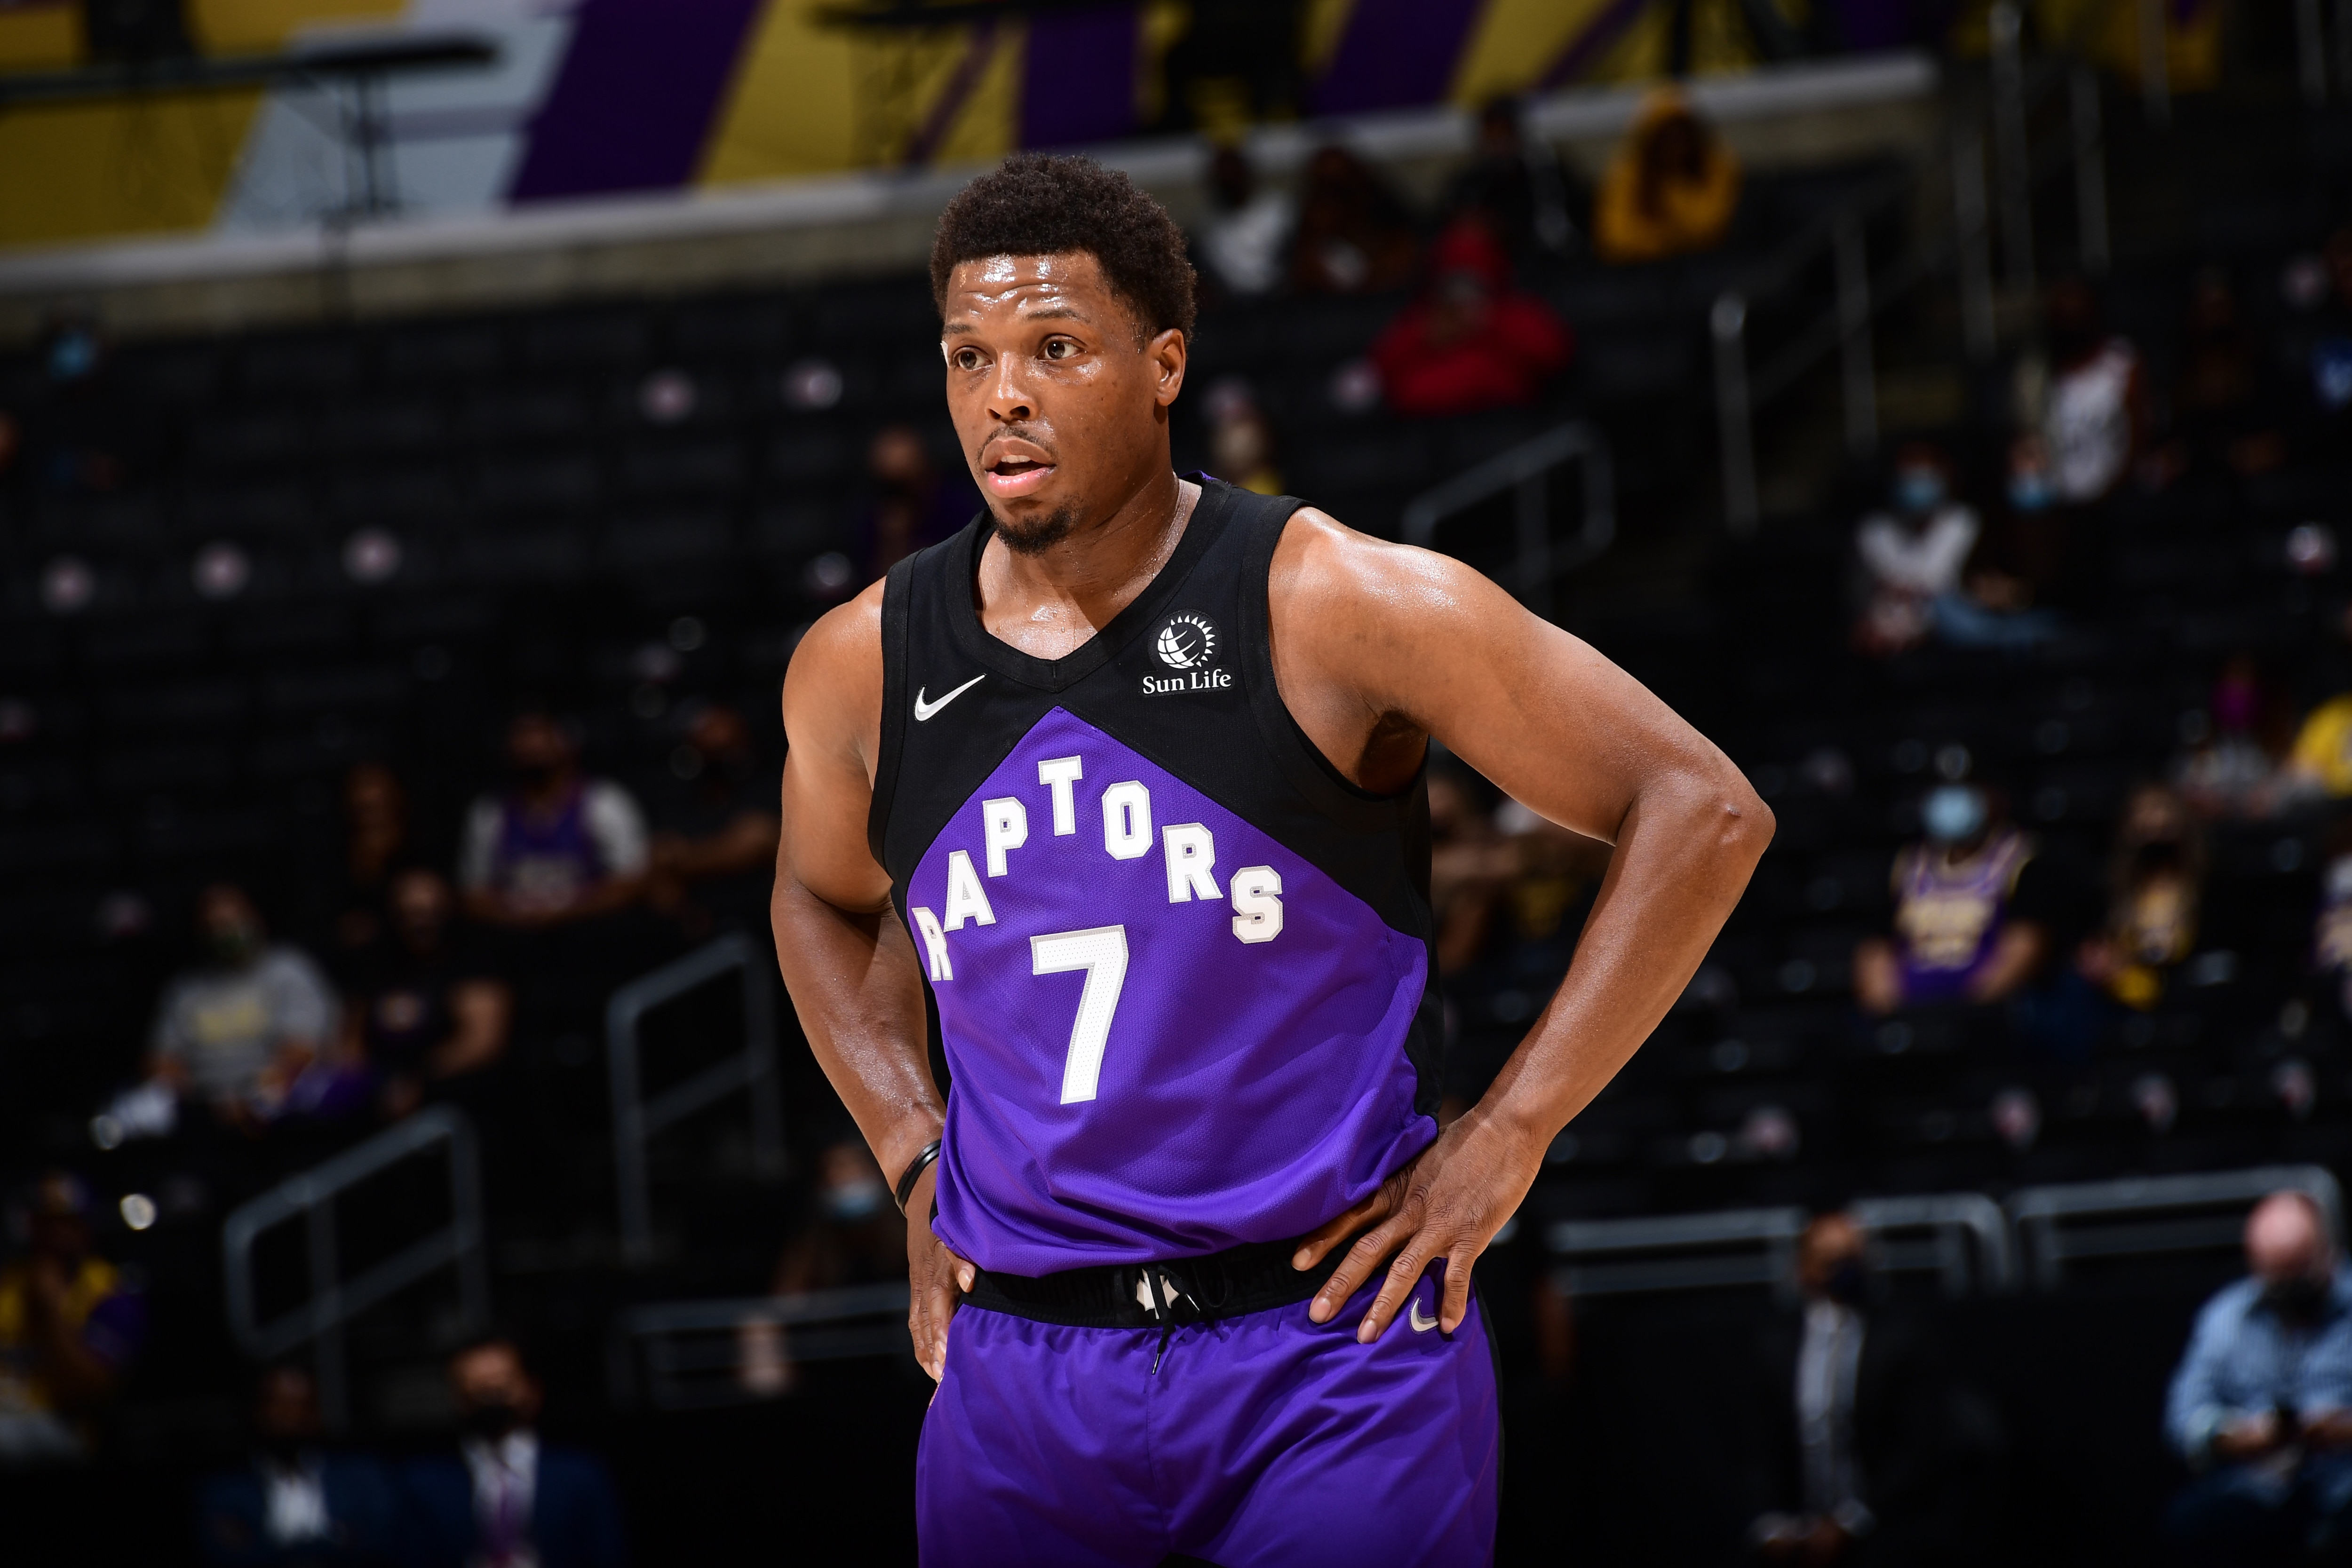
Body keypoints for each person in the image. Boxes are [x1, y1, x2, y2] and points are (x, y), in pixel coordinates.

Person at [772, 152, 1771, 1566]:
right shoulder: (860, 661)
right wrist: (906, 1144)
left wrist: (1508, 1133)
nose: (1002, 395)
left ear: (1163, 362)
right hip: (1021, 1373)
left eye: (1054, 349)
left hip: (1329, 1348)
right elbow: (819, 895)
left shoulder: (1333, 602)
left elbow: (1699, 805)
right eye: (968, 356)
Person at [1743, 1213, 2000, 1564]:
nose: (1843, 1269)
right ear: (1804, 1268)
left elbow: (1917, 1447)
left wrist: (1853, 1520)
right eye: (1830, 1258)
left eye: (1851, 1257)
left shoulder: (1900, 1342)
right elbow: (1761, 1446)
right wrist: (1771, 1524)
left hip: (1888, 1526)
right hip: (1800, 1526)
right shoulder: (1776, 1348)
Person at [2162, 1191, 2352, 1565]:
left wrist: (2342, 1430)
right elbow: (2182, 1417)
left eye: (2299, 1274)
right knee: (2192, 1521)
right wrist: (2234, 1437)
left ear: (2328, 1253)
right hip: (2260, 1486)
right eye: (2275, 1278)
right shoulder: (2226, 1318)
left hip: (2344, 1483)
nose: (2288, 1291)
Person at [398, 1336, 624, 1568]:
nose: (490, 1400)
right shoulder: (425, 1484)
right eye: (476, 1389)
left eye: (501, 1387)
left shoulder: (579, 1476)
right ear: (457, 1398)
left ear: (532, 1390)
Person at [144, 884, 350, 1132]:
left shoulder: (288, 970)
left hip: (277, 1103)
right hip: (204, 1109)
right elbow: (162, 1060)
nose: (228, 933)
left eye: (235, 921)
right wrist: (198, 1101)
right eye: (216, 926)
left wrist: (252, 1097)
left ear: (255, 918)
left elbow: (301, 1050)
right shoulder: (185, 989)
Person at [1853, 782, 2046, 1015]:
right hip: (1909, 1010)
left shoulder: (2022, 863)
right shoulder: (1906, 865)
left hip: (1984, 1012)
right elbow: (1875, 952)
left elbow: (2024, 947)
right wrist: (1893, 1012)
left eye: (1968, 786)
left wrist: (1969, 1013)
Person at [345, 868, 511, 1122]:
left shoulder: (472, 960)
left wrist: (422, 1079)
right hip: (382, 1085)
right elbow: (353, 1042)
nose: (421, 924)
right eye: (409, 915)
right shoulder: (379, 963)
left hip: (450, 1087)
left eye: (431, 914)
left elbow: (482, 1042)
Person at [0, 1172, 145, 1462]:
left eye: (67, 1221)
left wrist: (50, 1309)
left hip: (62, 1426)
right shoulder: (11, 1281)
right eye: (47, 1221)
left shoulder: (110, 1294)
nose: (56, 1232)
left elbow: (88, 1391)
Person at [1369, 215, 1573, 418]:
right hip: (1426, 429)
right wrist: (1427, 333)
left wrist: (1489, 320)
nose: (1463, 292)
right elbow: (1377, 371)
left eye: (1472, 281)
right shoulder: (1423, 319)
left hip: (1506, 425)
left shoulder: (1512, 311)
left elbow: (1554, 354)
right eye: (1455, 281)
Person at [195, 1363, 400, 1566]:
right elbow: (227, 1555)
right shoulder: (226, 1488)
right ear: (258, 1411)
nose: (292, 1417)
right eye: (279, 1406)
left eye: (302, 1405)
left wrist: (277, 1547)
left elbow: (382, 1542)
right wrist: (335, 1539)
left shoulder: (362, 1474)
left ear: (317, 1412)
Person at [459, 711, 648, 930]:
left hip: (591, 936)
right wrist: (521, 918)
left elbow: (632, 883)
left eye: (541, 734)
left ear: (568, 744)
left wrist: (562, 913)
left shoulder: (605, 803)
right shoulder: (490, 812)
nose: (531, 744)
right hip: (515, 940)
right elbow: (473, 896)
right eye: (522, 735)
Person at [645, 701, 782, 936]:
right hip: (705, 926)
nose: (723, 746)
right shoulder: (687, 793)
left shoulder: (770, 780)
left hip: (769, 918)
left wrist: (685, 861)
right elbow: (659, 858)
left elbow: (760, 841)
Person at [2074, 784, 2204, 1011]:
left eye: (2162, 811)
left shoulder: (2204, 887)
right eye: (2143, 813)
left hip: (2188, 996)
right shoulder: (2111, 891)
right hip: (2124, 1000)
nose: (2155, 824)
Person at [1851, 443, 1980, 657]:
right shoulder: (1875, 530)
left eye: (1924, 475)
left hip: (1956, 640)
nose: (1916, 483)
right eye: (1908, 476)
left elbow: (1946, 584)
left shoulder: (1964, 523)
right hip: (1892, 640)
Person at [1593, 89, 1740, 265]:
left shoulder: (1714, 165)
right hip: (1643, 272)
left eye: (1680, 137)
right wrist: (1660, 241)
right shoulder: (1630, 174)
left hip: (1706, 265)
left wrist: (1673, 195)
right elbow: (1614, 237)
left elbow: (1712, 224)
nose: (1675, 148)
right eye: (1666, 138)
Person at [1443, 95, 1576, 264]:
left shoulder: (1546, 177)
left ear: (1519, 134)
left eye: (1505, 133)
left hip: (1549, 268)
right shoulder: (1469, 186)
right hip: (1491, 271)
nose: (1499, 143)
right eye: (1492, 134)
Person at [1287, 143, 1420, 295]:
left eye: (1340, 191)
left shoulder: (1396, 233)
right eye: (1325, 191)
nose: (1332, 203)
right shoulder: (1310, 243)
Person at [861, 424, 973, 583]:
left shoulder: (955, 505)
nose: (899, 493)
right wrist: (893, 540)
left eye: (904, 482)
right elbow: (880, 583)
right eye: (892, 485)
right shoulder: (873, 515)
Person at [1195, 145, 1293, 300]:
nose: (1229, 181)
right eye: (1223, 178)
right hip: (1234, 306)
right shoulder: (1209, 226)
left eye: (1233, 174)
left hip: (1281, 297)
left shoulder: (1278, 209)